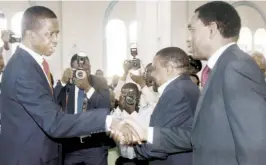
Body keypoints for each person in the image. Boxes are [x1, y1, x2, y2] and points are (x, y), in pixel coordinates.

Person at [119, 2, 266, 165]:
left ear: (212, 29)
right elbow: (198, 135)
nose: (188, 39)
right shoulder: (221, 67)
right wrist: (147, 134)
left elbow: (255, 145)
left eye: (192, 30)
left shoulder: (236, 66)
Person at [0, 6, 126, 165]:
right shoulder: (23, 69)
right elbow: (54, 122)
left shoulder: (31, 64)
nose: (55, 40)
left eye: (57, 33)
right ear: (30, 35)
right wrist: (108, 120)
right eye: (49, 34)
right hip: (29, 158)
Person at [116, 47, 199, 165]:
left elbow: (156, 144)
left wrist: (133, 144)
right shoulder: (188, 86)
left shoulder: (175, 92)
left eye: (155, 69)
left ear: (169, 69)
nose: (152, 74)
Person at [54, 53, 110, 165]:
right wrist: (63, 82)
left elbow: (105, 107)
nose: (81, 72)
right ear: (71, 70)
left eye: (85, 68)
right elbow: (52, 102)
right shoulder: (68, 85)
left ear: (90, 67)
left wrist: (87, 88)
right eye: (77, 69)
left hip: (95, 146)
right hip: (72, 147)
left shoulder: (99, 81)